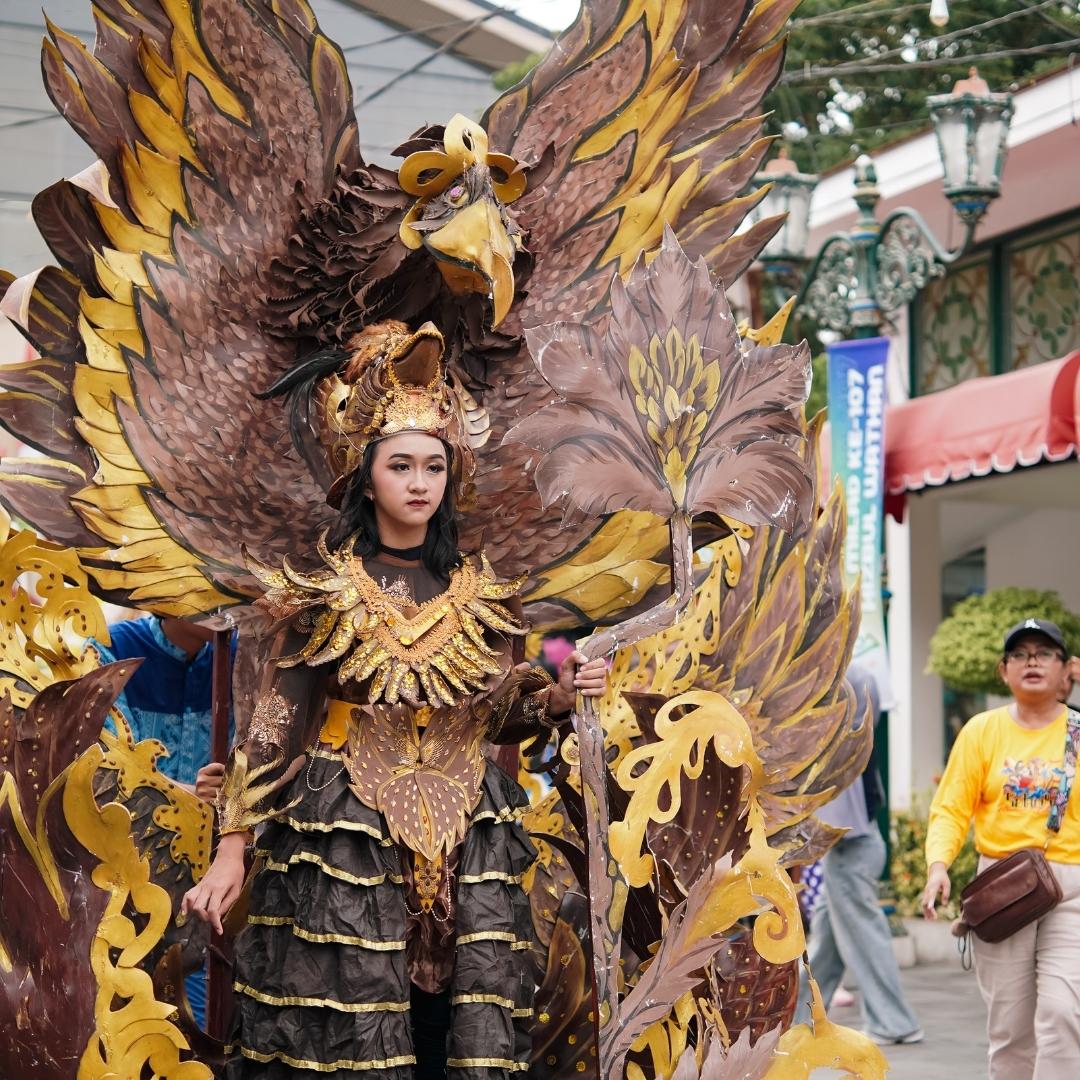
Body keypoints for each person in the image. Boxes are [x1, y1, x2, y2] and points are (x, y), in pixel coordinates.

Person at [180, 322, 607, 1078]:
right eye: (401, 464)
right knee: (348, 1029)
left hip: (470, 843)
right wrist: (230, 848)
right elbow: (273, 727)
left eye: (434, 466)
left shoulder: (483, 597)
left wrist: (558, 699)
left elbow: (495, 711)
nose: (418, 482)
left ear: (452, 477)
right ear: (366, 475)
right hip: (344, 837)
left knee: (459, 1031)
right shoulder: (325, 596)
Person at [922, 617, 1080, 1080]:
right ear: (1004, 670)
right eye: (1020, 653)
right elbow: (950, 809)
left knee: (1063, 1015)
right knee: (1010, 1030)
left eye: (1045, 653)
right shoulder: (981, 732)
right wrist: (938, 867)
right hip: (1003, 889)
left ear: (1067, 669)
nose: (1032, 660)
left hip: (1071, 890)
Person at [96, 614, 229, 1028]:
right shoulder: (112, 647)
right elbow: (103, 763)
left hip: (221, 876)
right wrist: (189, 791)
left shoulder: (240, 654)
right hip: (125, 876)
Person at [794, 664, 922, 1044]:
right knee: (828, 942)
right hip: (850, 843)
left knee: (864, 937)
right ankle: (800, 1019)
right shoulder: (852, 686)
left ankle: (894, 1022)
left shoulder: (846, 686)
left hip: (852, 843)